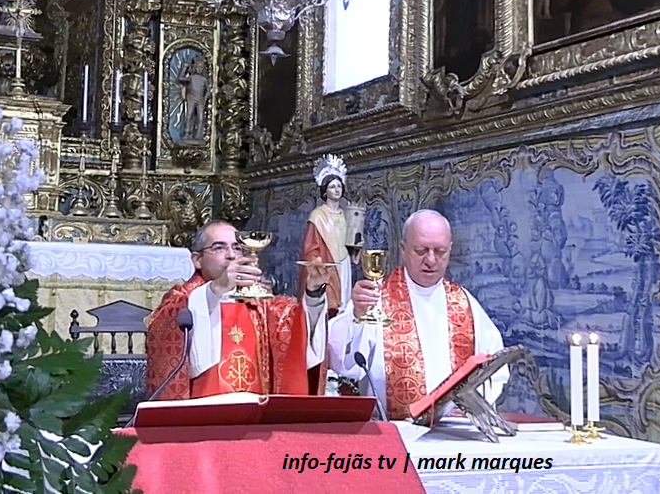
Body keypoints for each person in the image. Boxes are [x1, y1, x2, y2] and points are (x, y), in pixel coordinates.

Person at [327, 209, 509, 420]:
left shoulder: (464, 302)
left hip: (453, 431)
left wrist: (475, 403)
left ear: (450, 249)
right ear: (403, 249)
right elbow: (344, 363)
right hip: (396, 429)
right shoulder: (376, 299)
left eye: (440, 251)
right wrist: (357, 315)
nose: (431, 260)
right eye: (421, 250)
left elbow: (494, 365)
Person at [146, 221, 330, 400]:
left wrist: (314, 293)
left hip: (256, 413)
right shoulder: (183, 299)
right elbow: (165, 332)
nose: (231, 255)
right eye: (219, 248)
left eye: (237, 247)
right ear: (197, 260)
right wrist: (217, 288)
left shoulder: (261, 302)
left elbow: (297, 331)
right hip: (204, 414)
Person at [298, 153, 360, 394]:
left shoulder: (345, 215)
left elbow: (349, 242)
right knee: (328, 309)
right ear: (324, 190)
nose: (336, 190)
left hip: (343, 265)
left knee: (343, 306)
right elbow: (310, 247)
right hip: (327, 268)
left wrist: (355, 249)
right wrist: (318, 261)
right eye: (332, 186)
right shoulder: (318, 216)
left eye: (339, 186)